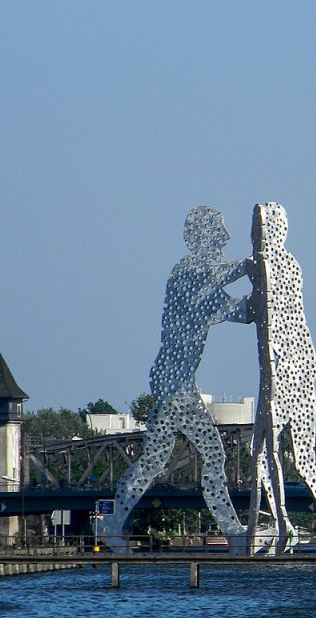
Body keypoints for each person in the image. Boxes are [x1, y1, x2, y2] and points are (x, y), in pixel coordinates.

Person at [102, 207, 250, 554]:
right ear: (201, 237)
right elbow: (218, 279)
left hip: (178, 383)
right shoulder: (187, 273)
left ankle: (112, 525)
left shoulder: (202, 283)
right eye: (220, 232)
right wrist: (251, 264)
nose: (226, 238)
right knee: (212, 454)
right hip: (174, 384)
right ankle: (233, 533)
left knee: (155, 460)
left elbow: (240, 312)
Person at [246, 202, 316, 556]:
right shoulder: (272, 267)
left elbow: (272, 320)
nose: (255, 237)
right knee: (259, 452)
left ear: (274, 231)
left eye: (259, 230)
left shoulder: (278, 266)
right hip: (279, 372)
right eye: (254, 230)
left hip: (289, 372)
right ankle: (284, 525)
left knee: (297, 459)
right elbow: (252, 310)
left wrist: (274, 390)